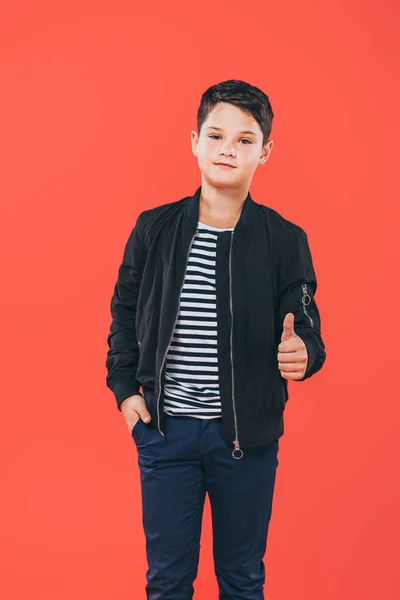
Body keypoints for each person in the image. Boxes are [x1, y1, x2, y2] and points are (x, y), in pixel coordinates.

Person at [105, 79, 326, 599]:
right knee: (167, 581)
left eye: (246, 140)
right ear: (194, 141)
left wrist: (304, 353)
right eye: (216, 135)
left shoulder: (284, 240)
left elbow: (307, 326)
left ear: (265, 152)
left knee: (243, 579)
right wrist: (126, 393)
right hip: (165, 433)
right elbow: (124, 312)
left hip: (247, 440)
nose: (228, 149)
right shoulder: (153, 229)